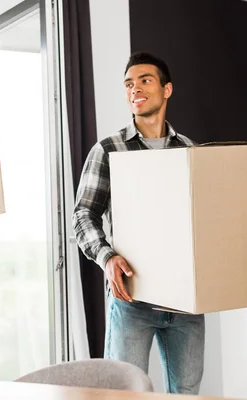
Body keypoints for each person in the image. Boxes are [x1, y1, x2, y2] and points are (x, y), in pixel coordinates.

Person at [72, 52, 204, 394]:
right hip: (132, 298)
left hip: (185, 301)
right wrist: (106, 257)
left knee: (187, 394)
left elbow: (202, 218)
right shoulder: (108, 150)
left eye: (145, 80)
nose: (136, 89)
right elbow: (83, 215)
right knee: (123, 393)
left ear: (167, 89)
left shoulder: (190, 151)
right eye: (129, 84)